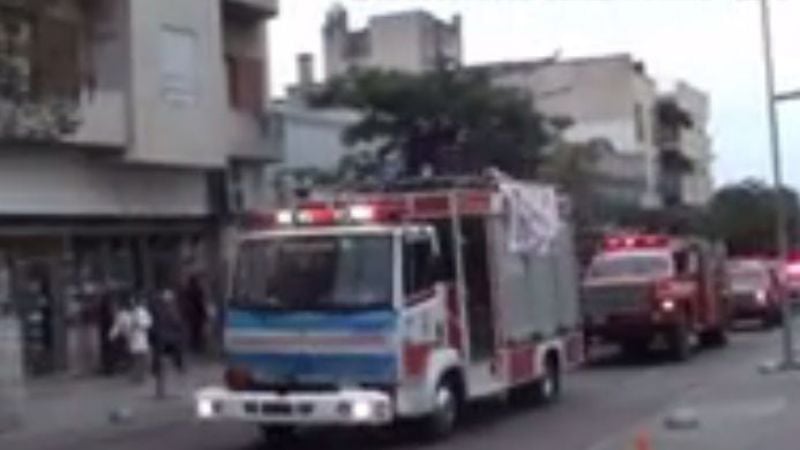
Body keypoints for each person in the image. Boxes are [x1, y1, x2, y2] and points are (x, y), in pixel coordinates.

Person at [109, 296, 152, 383]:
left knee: (143, 356)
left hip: (141, 337)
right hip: (131, 339)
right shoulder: (122, 315)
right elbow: (117, 326)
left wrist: (140, 324)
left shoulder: (141, 311)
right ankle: (137, 376)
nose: (131, 305)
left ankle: (141, 376)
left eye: (133, 303)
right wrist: (112, 336)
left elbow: (148, 322)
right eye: (130, 303)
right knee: (135, 357)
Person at [150, 289, 186, 374]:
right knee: (164, 351)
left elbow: (177, 321)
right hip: (166, 335)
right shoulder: (169, 308)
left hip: (165, 335)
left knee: (172, 350)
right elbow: (177, 321)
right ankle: (158, 368)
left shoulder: (162, 307)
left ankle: (157, 368)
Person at [179, 276, 207, 353]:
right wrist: (204, 314)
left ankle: (190, 345)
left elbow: (182, 301)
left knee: (190, 330)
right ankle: (196, 347)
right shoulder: (198, 290)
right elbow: (200, 303)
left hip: (188, 314)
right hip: (197, 314)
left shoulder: (185, 290)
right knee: (197, 332)